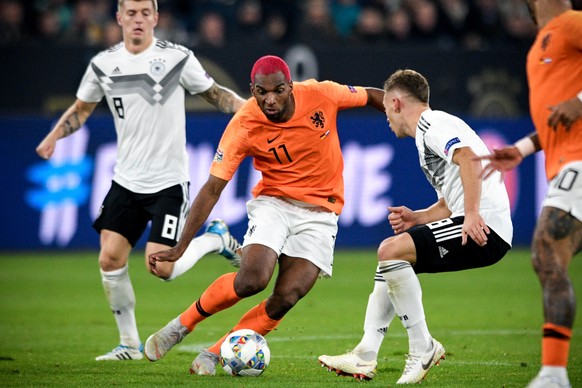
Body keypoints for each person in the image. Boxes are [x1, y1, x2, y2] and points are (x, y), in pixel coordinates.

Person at [143, 55, 386, 374]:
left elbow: (370, 94)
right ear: (252, 90)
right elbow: (212, 188)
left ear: (291, 87)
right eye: (261, 92)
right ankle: (182, 324)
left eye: (278, 90)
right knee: (252, 280)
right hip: (274, 204)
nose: (270, 99)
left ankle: (215, 352)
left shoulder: (321, 94)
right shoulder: (245, 123)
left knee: (287, 295)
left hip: (321, 213)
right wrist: (181, 245)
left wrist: (407, 114)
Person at [35, 0, 246, 361]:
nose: (137, 19)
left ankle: (214, 239)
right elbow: (82, 109)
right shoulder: (103, 65)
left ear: (156, 18)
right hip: (126, 180)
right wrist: (55, 135)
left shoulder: (178, 58)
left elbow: (216, 95)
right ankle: (129, 344)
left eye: (144, 13)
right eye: (130, 13)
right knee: (109, 258)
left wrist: (251, 109)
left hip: (167, 181)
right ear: (118, 18)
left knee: (161, 267)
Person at [318, 69, 513, 384]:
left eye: (386, 109)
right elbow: (449, 203)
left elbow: (471, 160)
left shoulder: (433, 124)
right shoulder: (427, 135)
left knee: (389, 250)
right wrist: (417, 217)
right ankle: (365, 353)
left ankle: (423, 347)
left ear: (395, 103)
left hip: (483, 226)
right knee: (391, 260)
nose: (386, 117)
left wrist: (474, 213)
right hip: (472, 220)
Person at [477, 2, 582, 387]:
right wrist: (521, 149)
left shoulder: (572, 24)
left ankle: (553, 375)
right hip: (565, 164)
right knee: (550, 256)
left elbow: (572, 108)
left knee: (546, 250)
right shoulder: (540, 44)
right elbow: (557, 117)